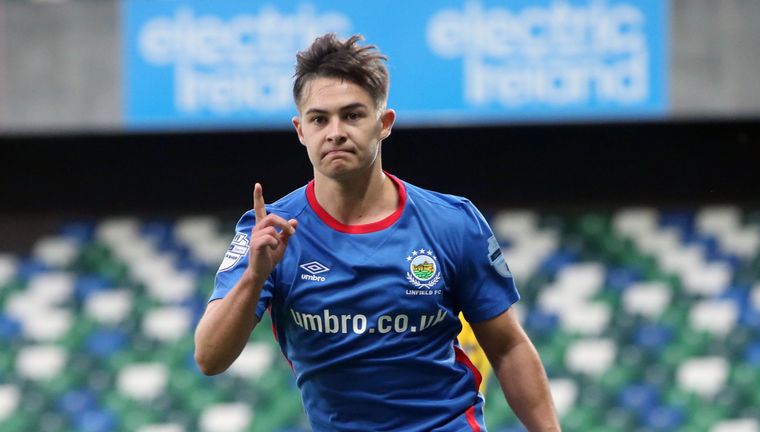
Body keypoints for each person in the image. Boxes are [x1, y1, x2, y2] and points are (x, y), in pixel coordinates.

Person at [194, 33, 560, 431]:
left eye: (352, 115)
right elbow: (209, 358)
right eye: (319, 119)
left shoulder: (453, 223)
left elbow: (507, 347)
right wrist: (254, 276)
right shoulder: (270, 232)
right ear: (301, 130)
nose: (335, 132)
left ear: (383, 123)